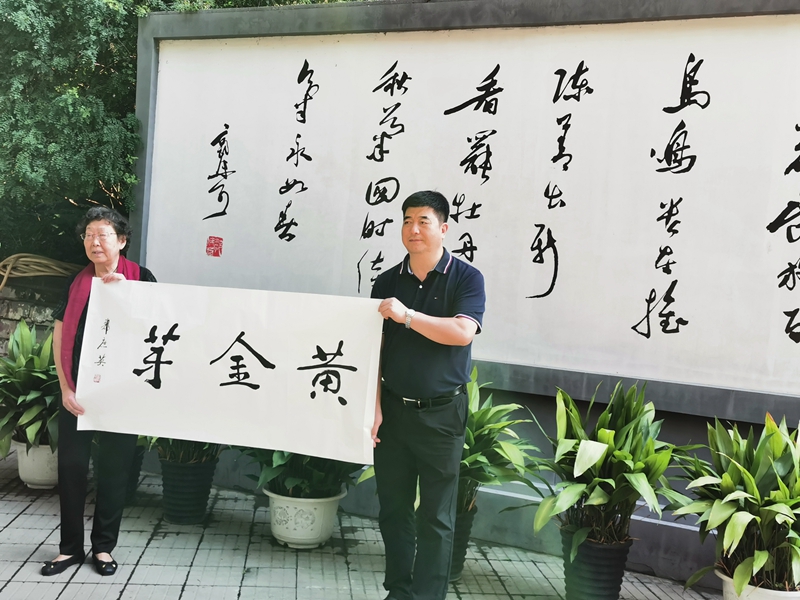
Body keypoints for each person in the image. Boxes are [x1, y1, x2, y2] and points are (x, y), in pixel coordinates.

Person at [370, 190, 486, 600]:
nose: (413, 229)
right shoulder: (387, 282)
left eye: (423, 221)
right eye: (407, 220)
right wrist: (374, 408)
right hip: (393, 413)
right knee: (393, 509)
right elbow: (374, 351)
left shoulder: (466, 278)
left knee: (436, 516)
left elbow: (462, 332)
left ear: (444, 228)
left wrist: (408, 316)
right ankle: (399, 592)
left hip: (442, 414)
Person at [42, 207, 156, 577]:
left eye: (103, 234)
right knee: (71, 467)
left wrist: (127, 295)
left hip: (122, 393)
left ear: (121, 241)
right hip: (78, 392)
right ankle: (70, 549)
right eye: (89, 235)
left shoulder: (142, 278)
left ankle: (103, 548)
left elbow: (158, 328)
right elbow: (60, 334)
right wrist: (65, 388)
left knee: (114, 470)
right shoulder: (77, 283)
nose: (95, 242)